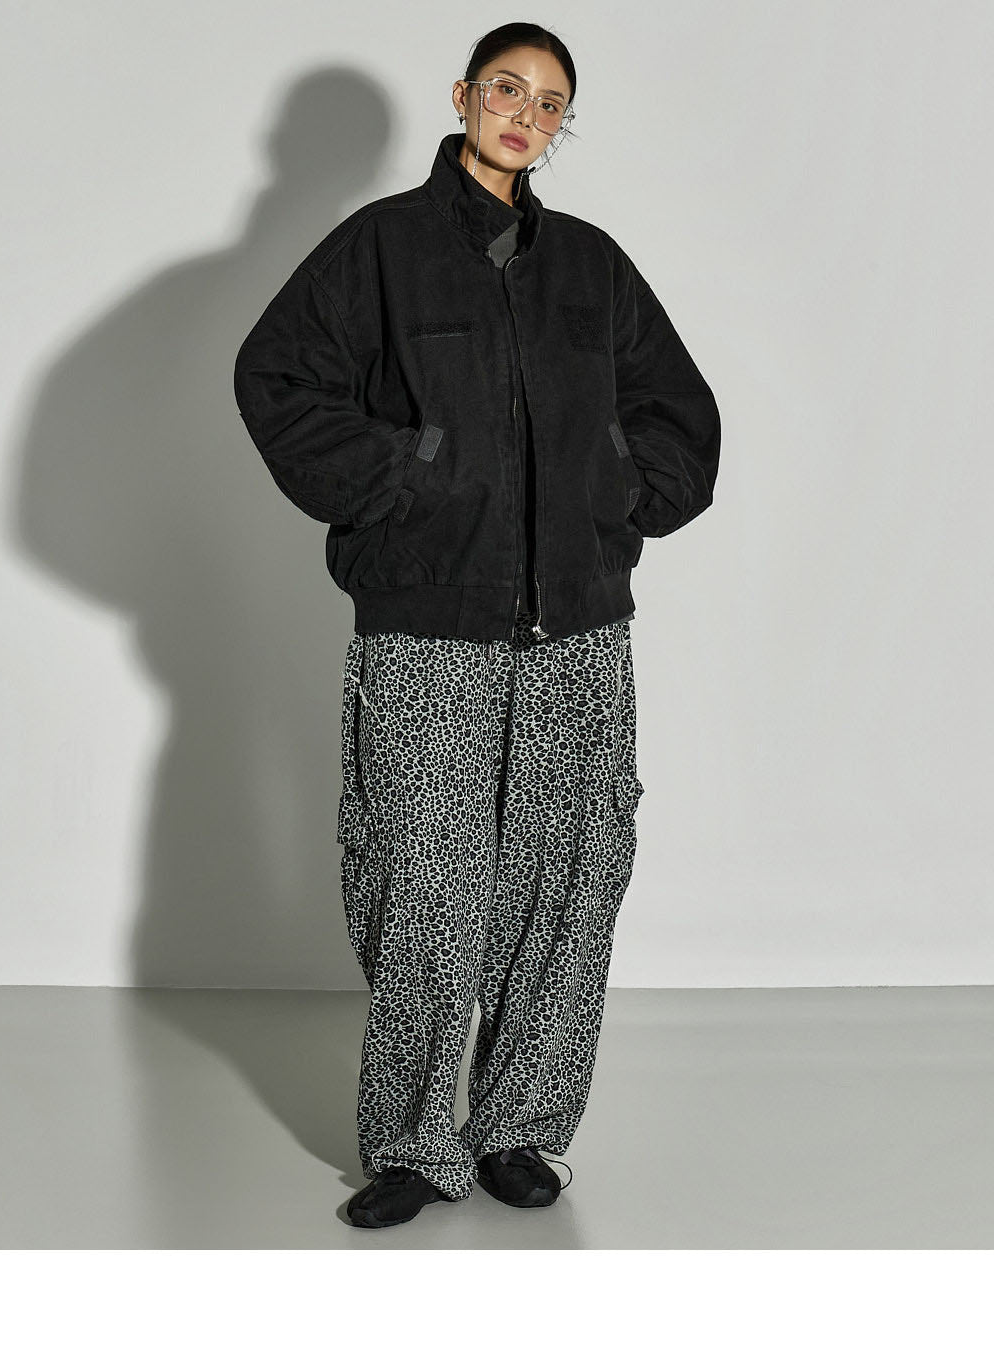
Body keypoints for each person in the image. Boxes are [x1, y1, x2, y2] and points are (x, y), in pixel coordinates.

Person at [234, 23, 721, 1230]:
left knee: (569, 878)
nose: (524, 114)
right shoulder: (381, 249)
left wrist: (616, 494)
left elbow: (680, 413)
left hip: (579, 632)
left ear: (559, 127)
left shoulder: (592, 267)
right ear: (462, 97)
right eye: (506, 88)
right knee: (423, 882)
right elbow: (277, 379)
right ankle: (411, 1143)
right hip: (428, 621)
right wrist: (405, 481)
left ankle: (516, 1129)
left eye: (549, 102)